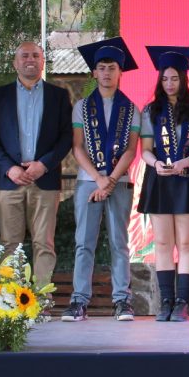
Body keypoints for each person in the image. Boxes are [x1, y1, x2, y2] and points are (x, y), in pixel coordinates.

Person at [60, 38, 142, 323]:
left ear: (120, 72)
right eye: (102, 68)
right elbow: (77, 147)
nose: (107, 73)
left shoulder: (131, 109)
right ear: (94, 72)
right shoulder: (82, 107)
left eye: (112, 68)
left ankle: (122, 301)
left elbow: (131, 149)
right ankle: (79, 301)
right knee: (84, 242)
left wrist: (111, 180)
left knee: (119, 242)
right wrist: (98, 179)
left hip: (120, 182)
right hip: (88, 181)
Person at [0, 41, 73, 288]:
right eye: (24, 56)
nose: (30, 59)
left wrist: (44, 165)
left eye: (35, 55)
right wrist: (9, 168)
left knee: (44, 242)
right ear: (15, 63)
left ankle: (42, 296)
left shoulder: (58, 95)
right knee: (9, 243)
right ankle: (11, 297)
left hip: (44, 179)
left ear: (43, 61)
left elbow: (66, 136)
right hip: (9, 181)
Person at [138, 45, 189, 322]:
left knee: (186, 242)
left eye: (174, 78)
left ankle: (183, 302)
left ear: (183, 79)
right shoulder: (150, 110)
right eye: (165, 78)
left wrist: (183, 163)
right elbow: (145, 150)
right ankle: (166, 300)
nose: (169, 83)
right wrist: (156, 163)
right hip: (159, 180)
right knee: (163, 242)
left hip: (187, 179)